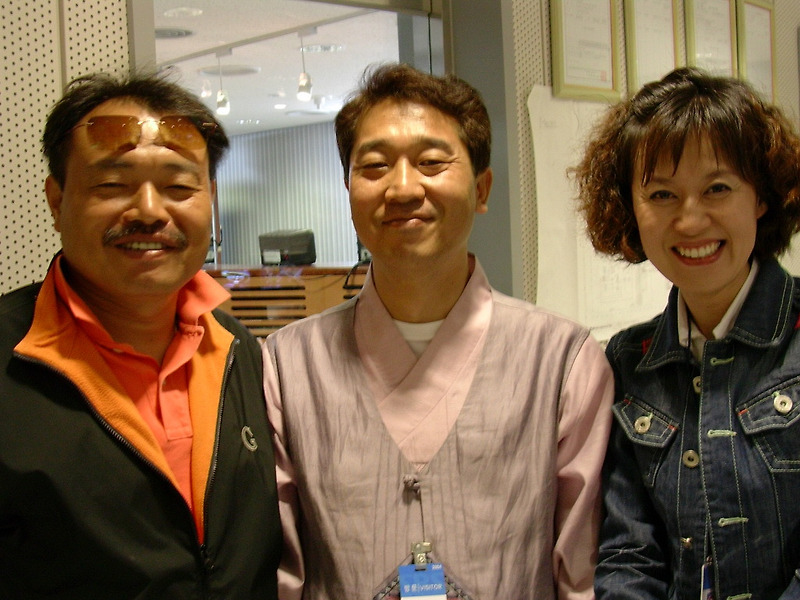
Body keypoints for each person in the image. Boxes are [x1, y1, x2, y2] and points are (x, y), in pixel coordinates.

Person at [264, 62, 614, 600]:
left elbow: (583, 577)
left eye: (431, 162)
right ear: (349, 191)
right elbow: (279, 576)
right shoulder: (286, 367)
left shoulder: (562, 361)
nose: (403, 188)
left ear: (481, 188)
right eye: (374, 166)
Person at [0, 72, 282, 599]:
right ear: (56, 200)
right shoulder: (10, 360)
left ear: (210, 199)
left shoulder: (240, 351)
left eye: (179, 188)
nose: (150, 211)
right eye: (112, 185)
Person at [572, 66, 800, 600]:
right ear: (630, 207)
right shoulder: (628, 360)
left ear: (760, 196)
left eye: (717, 188)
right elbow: (629, 552)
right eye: (661, 195)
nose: (690, 221)